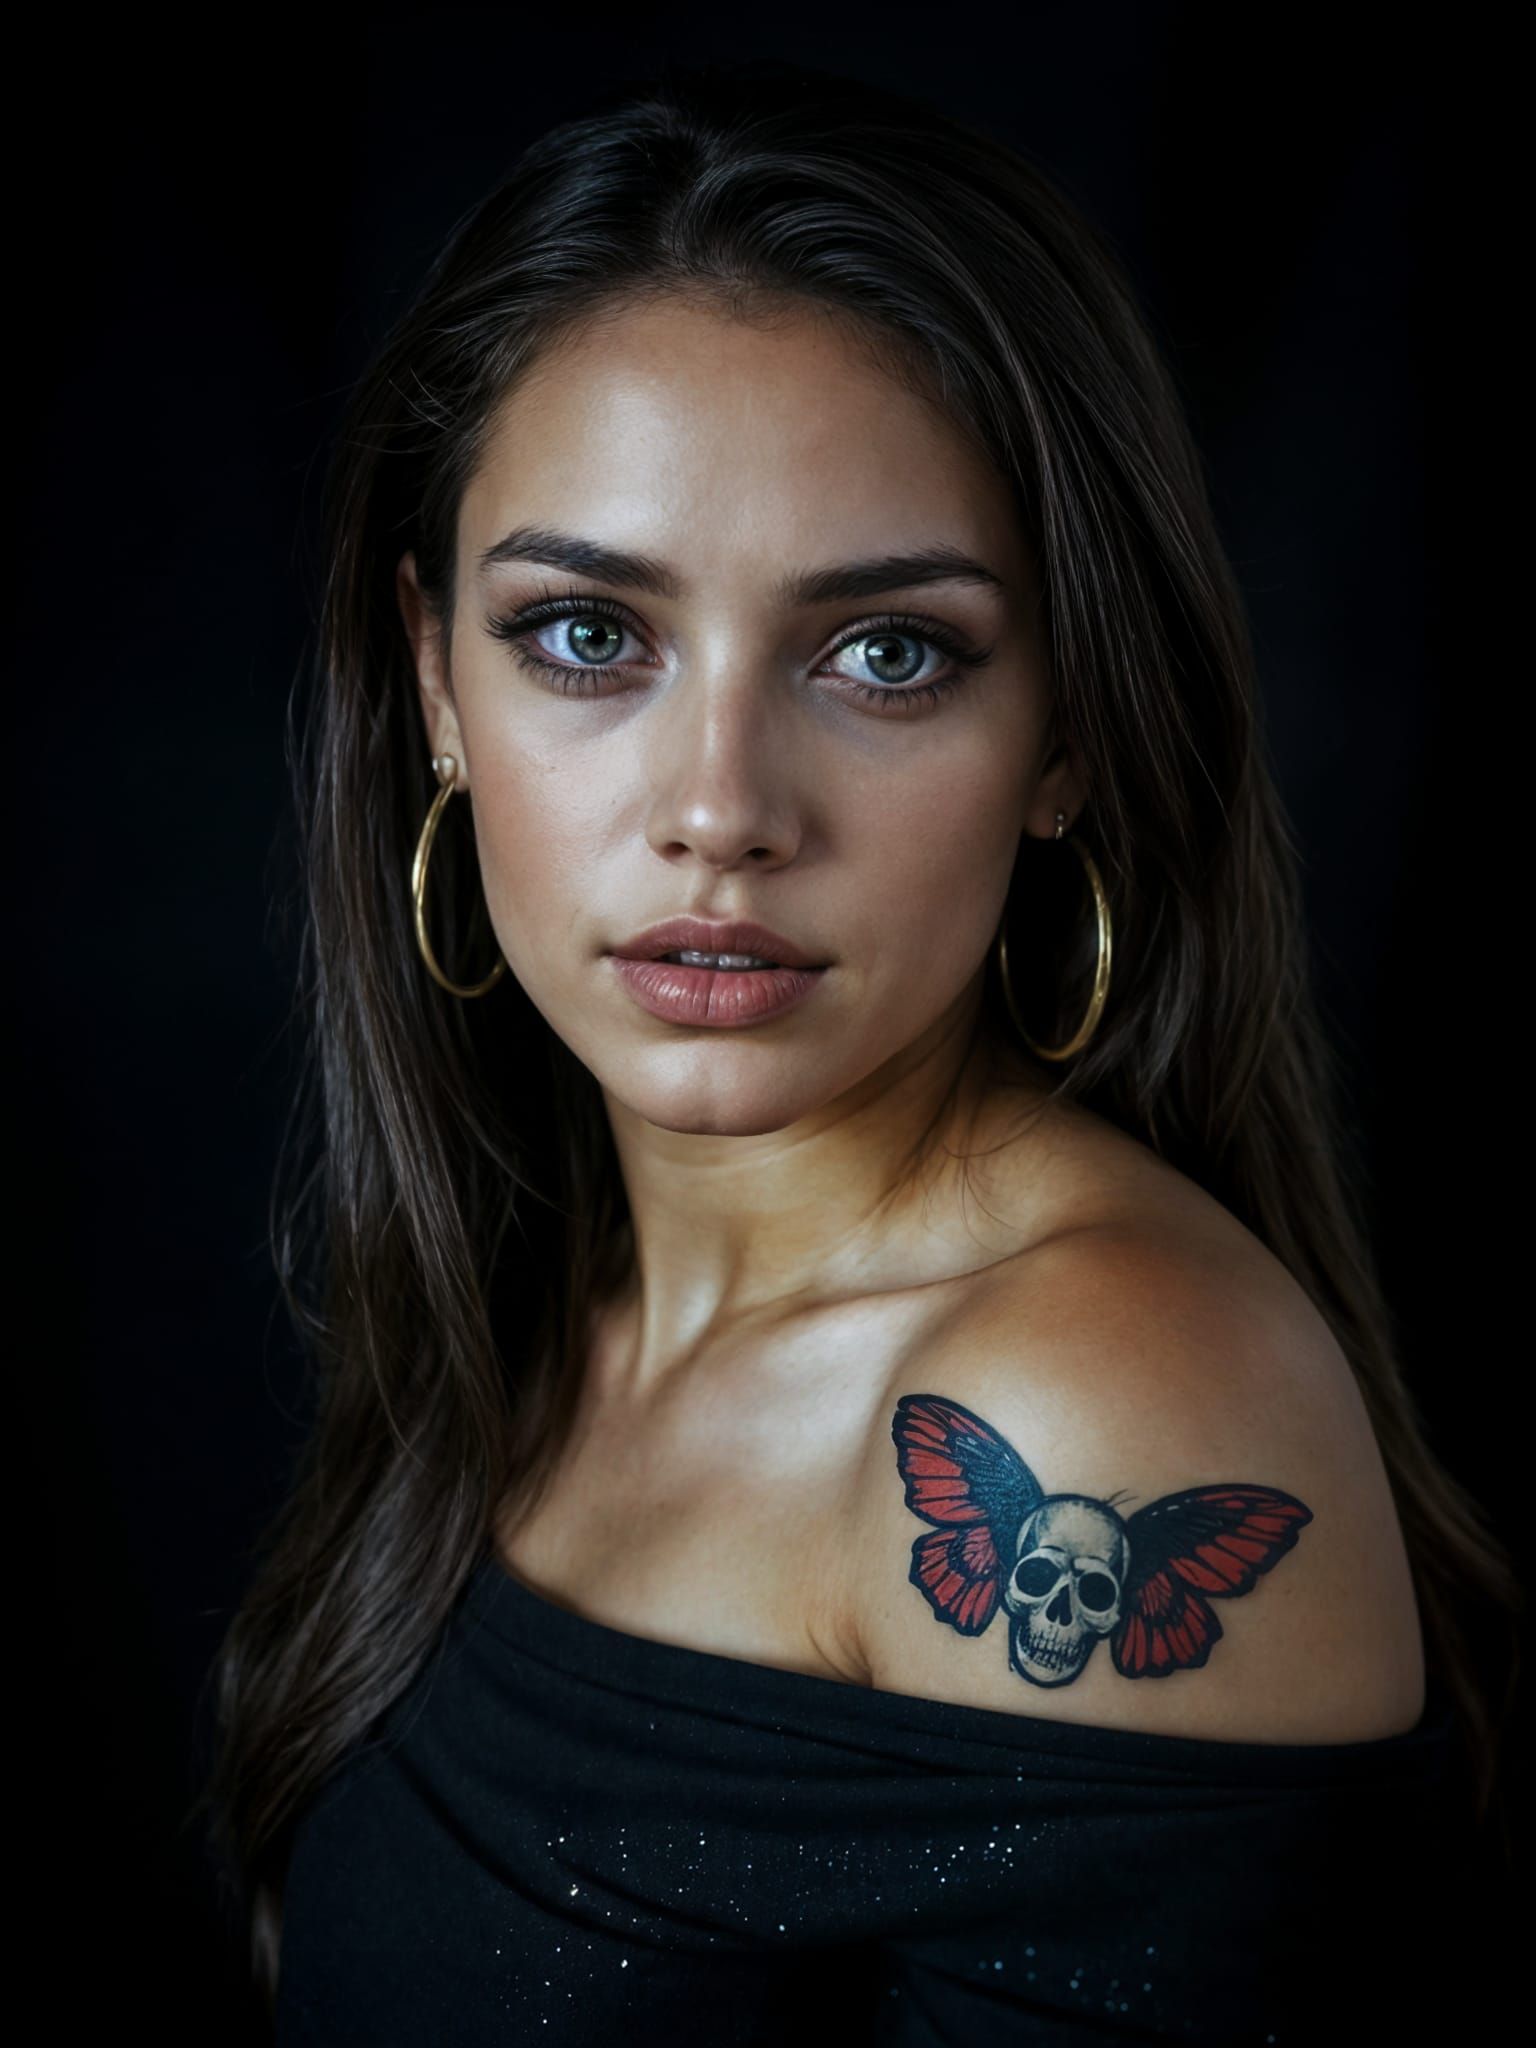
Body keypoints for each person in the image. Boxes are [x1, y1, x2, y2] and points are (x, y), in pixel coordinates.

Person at [197, 58, 1517, 2043]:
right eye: (588, 634)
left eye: (886, 652)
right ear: (434, 679)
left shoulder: (1100, 1402)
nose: (719, 808)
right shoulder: (540, 1299)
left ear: (1071, 732)